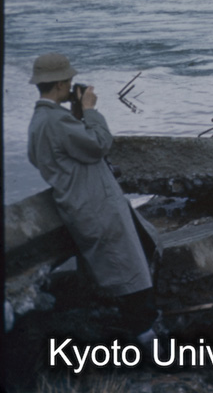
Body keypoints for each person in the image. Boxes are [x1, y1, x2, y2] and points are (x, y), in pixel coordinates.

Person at [27, 52, 159, 345]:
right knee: (129, 269)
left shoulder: (41, 121)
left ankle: (140, 328)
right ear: (61, 84)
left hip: (82, 204)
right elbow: (99, 144)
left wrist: (76, 115)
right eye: (69, 82)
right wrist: (89, 110)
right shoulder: (56, 121)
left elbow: (46, 157)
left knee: (137, 252)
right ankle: (146, 338)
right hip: (97, 207)